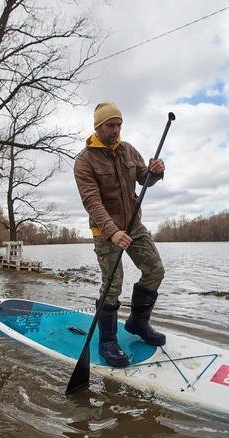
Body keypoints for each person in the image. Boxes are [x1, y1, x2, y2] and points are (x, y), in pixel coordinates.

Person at [74, 101, 167, 367]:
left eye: (119, 125)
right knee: (113, 284)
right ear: (99, 127)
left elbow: (143, 179)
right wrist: (112, 232)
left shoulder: (128, 150)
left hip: (134, 225)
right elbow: (92, 201)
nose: (116, 130)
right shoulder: (84, 161)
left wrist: (154, 173)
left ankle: (138, 323)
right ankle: (107, 342)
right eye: (111, 125)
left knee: (155, 271)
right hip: (105, 230)